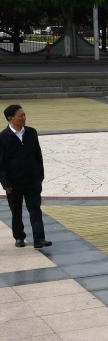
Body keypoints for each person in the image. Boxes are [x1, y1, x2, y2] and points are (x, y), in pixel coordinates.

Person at [0, 104, 50, 248]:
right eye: (20, 116)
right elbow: (1, 163)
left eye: (24, 115)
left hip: (32, 180)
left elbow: (37, 155)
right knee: (16, 211)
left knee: (35, 209)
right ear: (10, 118)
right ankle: (19, 236)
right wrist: (5, 183)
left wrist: (40, 175)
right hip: (13, 183)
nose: (24, 118)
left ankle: (39, 239)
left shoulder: (31, 132)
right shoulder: (3, 137)